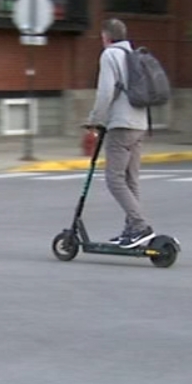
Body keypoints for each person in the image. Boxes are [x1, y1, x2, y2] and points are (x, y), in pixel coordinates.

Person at [84, 18, 154, 247]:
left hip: (121, 126)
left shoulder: (110, 55)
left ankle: (140, 225)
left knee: (114, 179)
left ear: (106, 36)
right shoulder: (134, 55)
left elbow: (105, 93)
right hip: (140, 124)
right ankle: (132, 230)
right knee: (131, 180)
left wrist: (94, 120)